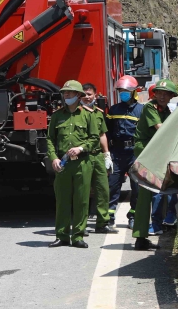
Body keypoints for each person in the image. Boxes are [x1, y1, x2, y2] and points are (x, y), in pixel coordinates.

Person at [46, 80, 100, 248]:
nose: (66, 95)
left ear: (78, 95)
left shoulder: (88, 115)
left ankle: (77, 236)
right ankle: (62, 235)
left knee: (81, 201)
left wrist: (81, 148)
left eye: (69, 93)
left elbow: (94, 138)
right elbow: (49, 140)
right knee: (62, 200)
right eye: (64, 93)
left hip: (82, 163)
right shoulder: (57, 116)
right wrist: (53, 158)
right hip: (63, 165)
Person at [132, 79, 178, 250]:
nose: (162, 96)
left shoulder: (167, 112)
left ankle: (153, 228)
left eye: (166, 94)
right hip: (146, 154)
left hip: (157, 154)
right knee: (145, 195)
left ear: (171, 96)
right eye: (159, 92)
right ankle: (140, 236)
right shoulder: (150, 107)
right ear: (154, 94)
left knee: (159, 194)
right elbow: (162, 129)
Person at [106, 75, 143, 229]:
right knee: (112, 185)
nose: (123, 93)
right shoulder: (114, 109)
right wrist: (106, 153)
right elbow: (106, 133)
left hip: (135, 152)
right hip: (117, 151)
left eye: (126, 91)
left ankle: (133, 216)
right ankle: (109, 217)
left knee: (137, 187)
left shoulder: (142, 110)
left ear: (134, 92)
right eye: (121, 91)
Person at [81, 83, 116, 234]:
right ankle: (80, 226)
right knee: (82, 191)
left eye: (89, 94)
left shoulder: (98, 113)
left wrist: (107, 154)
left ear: (95, 95)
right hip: (83, 156)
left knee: (103, 190)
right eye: (84, 94)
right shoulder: (76, 112)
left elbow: (102, 134)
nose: (87, 97)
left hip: (98, 155)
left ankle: (102, 223)